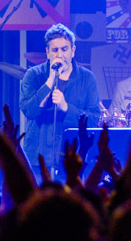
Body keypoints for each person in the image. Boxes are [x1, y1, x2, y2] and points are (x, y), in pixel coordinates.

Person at [19, 24, 101, 175]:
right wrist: (50, 80)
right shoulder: (33, 75)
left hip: (72, 158)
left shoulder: (87, 78)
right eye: (55, 50)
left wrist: (66, 107)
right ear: (48, 52)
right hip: (38, 159)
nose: (59, 54)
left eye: (64, 49)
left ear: (73, 51)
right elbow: (29, 112)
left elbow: (94, 119)